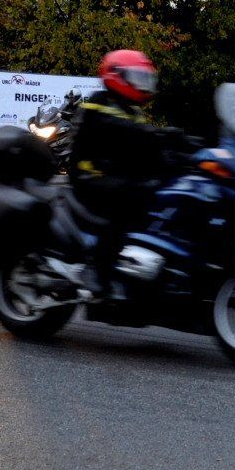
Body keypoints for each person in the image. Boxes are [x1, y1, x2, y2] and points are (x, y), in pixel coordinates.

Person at [67, 49, 170, 298]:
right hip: (89, 176)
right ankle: (96, 269)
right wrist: (156, 135)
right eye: (137, 78)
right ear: (117, 76)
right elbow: (120, 130)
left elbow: (143, 144)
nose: (143, 84)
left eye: (145, 78)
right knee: (126, 198)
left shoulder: (131, 110)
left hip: (112, 174)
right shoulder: (98, 103)